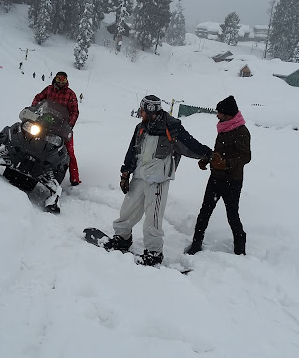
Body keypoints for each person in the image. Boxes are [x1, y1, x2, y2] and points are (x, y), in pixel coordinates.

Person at [105, 95, 213, 266]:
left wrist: (208, 154)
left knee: (153, 217)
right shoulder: (141, 127)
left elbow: (191, 145)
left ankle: (154, 252)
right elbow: (132, 151)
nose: (140, 113)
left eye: (142, 110)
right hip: (140, 174)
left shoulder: (172, 127)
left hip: (158, 178)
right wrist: (125, 173)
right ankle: (122, 238)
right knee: (128, 208)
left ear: (150, 111)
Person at [185, 95, 251, 256]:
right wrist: (207, 160)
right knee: (204, 212)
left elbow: (245, 157)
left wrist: (226, 164)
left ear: (228, 114)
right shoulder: (224, 127)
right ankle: (196, 244)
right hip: (215, 178)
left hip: (232, 180)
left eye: (219, 113)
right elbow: (220, 152)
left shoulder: (241, 131)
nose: (217, 115)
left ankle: (240, 249)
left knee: (232, 215)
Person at [32, 71, 81, 185]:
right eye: (59, 79)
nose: (61, 82)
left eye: (63, 79)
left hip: (61, 126)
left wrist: (69, 125)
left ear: (66, 81)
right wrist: (34, 108)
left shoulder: (70, 94)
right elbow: (39, 97)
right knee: (31, 134)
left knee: (69, 151)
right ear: (55, 78)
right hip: (45, 121)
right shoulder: (49, 89)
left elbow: (75, 111)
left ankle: (75, 179)